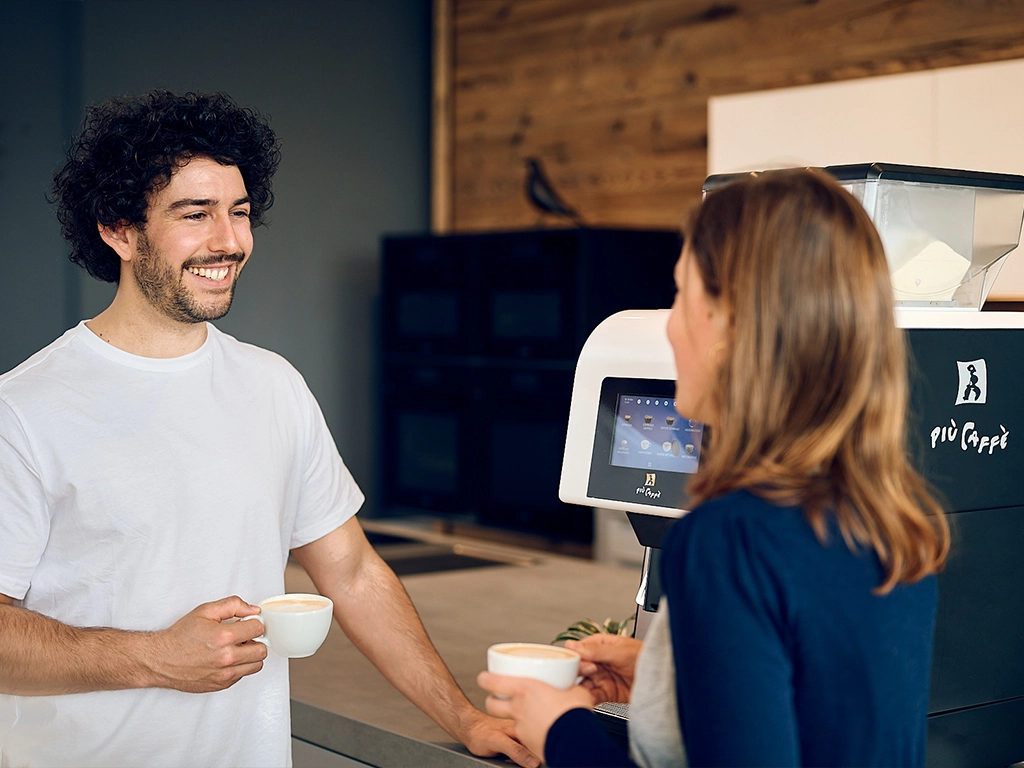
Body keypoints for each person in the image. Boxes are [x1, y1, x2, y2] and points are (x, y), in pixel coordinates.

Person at [0, 89, 538, 768]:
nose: (229, 241)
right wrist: (154, 658)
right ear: (120, 230)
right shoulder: (25, 409)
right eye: (195, 215)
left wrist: (464, 719)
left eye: (240, 213)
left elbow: (352, 573)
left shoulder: (272, 385)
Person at [478, 169, 951, 767]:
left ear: (732, 327)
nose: (670, 324)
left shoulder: (728, 538)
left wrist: (562, 731)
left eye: (681, 295)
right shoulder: (892, 520)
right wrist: (664, 681)